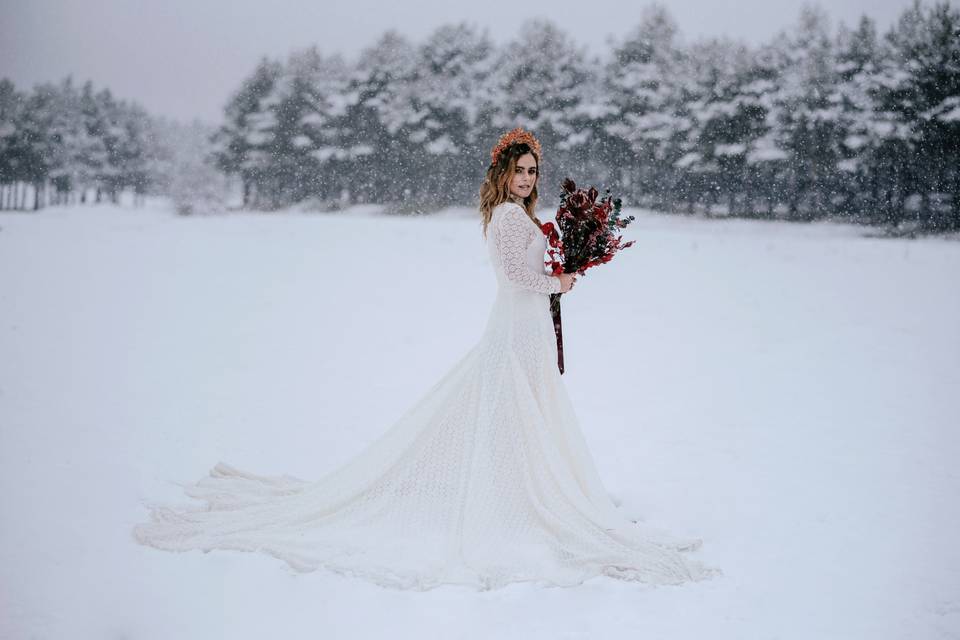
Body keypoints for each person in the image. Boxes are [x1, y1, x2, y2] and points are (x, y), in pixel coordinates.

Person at [131, 127, 721, 591]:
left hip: (526, 326)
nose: (527, 178)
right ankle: (513, 497)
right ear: (503, 174)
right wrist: (562, 283)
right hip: (517, 325)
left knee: (521, 410)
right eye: (519, 170)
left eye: (533, 171)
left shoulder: (516, 216)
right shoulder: (507, 217)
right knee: (508, 405)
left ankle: (518, 487)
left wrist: (564, 269)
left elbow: (530, 270)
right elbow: (519, 275)